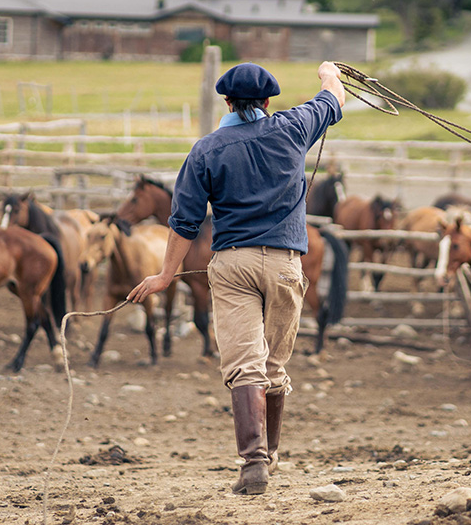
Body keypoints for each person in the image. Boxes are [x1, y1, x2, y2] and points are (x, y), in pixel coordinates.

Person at [128, 61, 345, 496]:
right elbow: (335, 98)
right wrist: (328, 73)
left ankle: (253, 464)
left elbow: (185, 222)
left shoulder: (207, 149)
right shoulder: (293, 127)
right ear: (268, 102)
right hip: (285, 263)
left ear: (227, 101)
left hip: (232, 266)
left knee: (245, 365)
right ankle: (273, 454)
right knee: (274, 366)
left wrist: (166, 274)